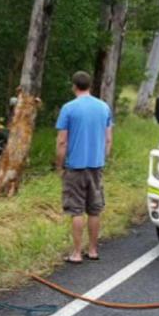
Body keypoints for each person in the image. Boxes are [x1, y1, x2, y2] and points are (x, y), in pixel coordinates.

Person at [55, 71, 112, 264]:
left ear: (74, 86)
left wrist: (59, 165)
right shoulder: (104, 107)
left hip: (75, 166)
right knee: (94, 209)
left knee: (77, 210)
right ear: (90, 86)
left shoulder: (69, 109)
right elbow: (108, 139)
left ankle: (77, 253)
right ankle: (93, 250)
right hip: (96, 166)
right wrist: (102, 159)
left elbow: (62, 141)